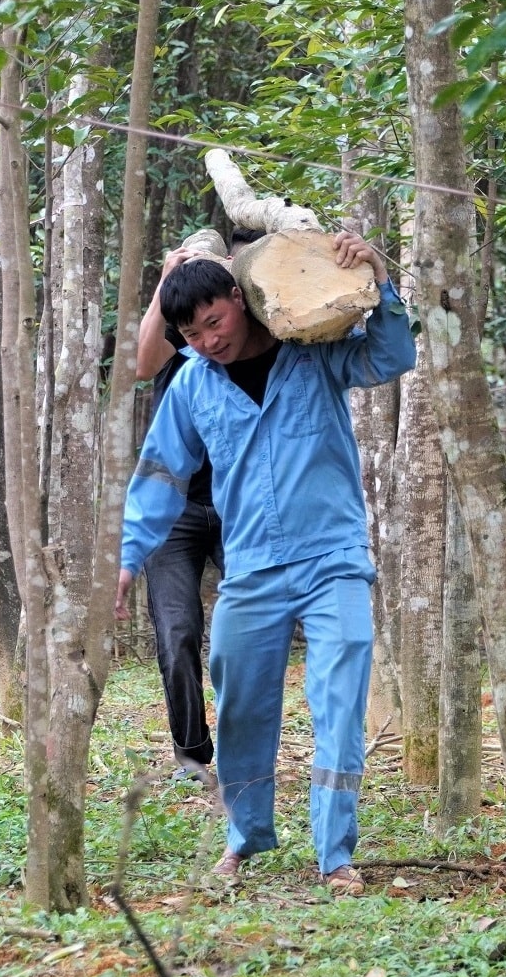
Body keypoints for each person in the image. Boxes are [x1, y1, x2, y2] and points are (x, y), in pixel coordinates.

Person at [115, 232, 414, 893]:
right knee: (242, 707)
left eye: (214, 322)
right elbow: (161, 475)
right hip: (251, 570)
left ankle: (335, 854)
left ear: (238, 297)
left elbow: (392, 354)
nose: (207, 341)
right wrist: (129, 559)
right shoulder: (191, 386)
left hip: (333, 558)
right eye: (190, 334)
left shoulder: (313, 354)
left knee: (339, 701)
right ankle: (243, 837)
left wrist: (379, 278)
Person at [132, 235, 253, 782]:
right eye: (193, 331)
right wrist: (165, 282)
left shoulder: (239, 333)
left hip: (237, 503)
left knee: (248, 628)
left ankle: (245, 747)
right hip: (174, 511)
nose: (206, 340)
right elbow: (142, 363)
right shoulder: (180, 338)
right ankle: (191, 752)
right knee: (177, 630)